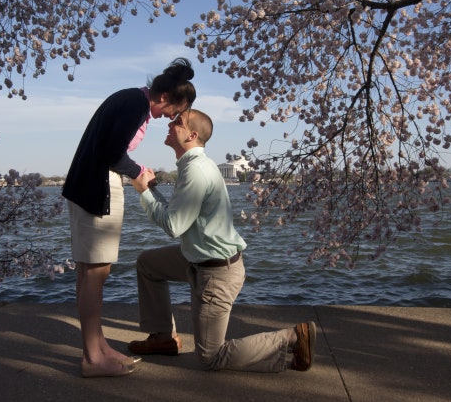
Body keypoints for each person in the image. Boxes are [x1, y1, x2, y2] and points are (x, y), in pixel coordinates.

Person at [128, 109, 316, 372]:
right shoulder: (193, 166)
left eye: (177, 122)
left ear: (192, 135)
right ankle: (162, 338)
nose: (170, 123)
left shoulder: (195, 171)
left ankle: (293, 338)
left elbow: (174, 225)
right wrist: (151, 189)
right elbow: (178, 214)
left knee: (211, 357)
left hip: (216, 272)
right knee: (148, 264)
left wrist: (144, 192)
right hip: (197, 257)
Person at [62, 58, 196, 378]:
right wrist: (138, 173)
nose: (172, 118)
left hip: (85, 185)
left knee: (88, 270)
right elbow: (111, 152)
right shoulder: (136, 104)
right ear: (163, 98)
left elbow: (108, 147)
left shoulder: (129, 98)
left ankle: (96, 346)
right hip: (96, 189)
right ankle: (93, 357)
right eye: (174, 111)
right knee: (97, 271)